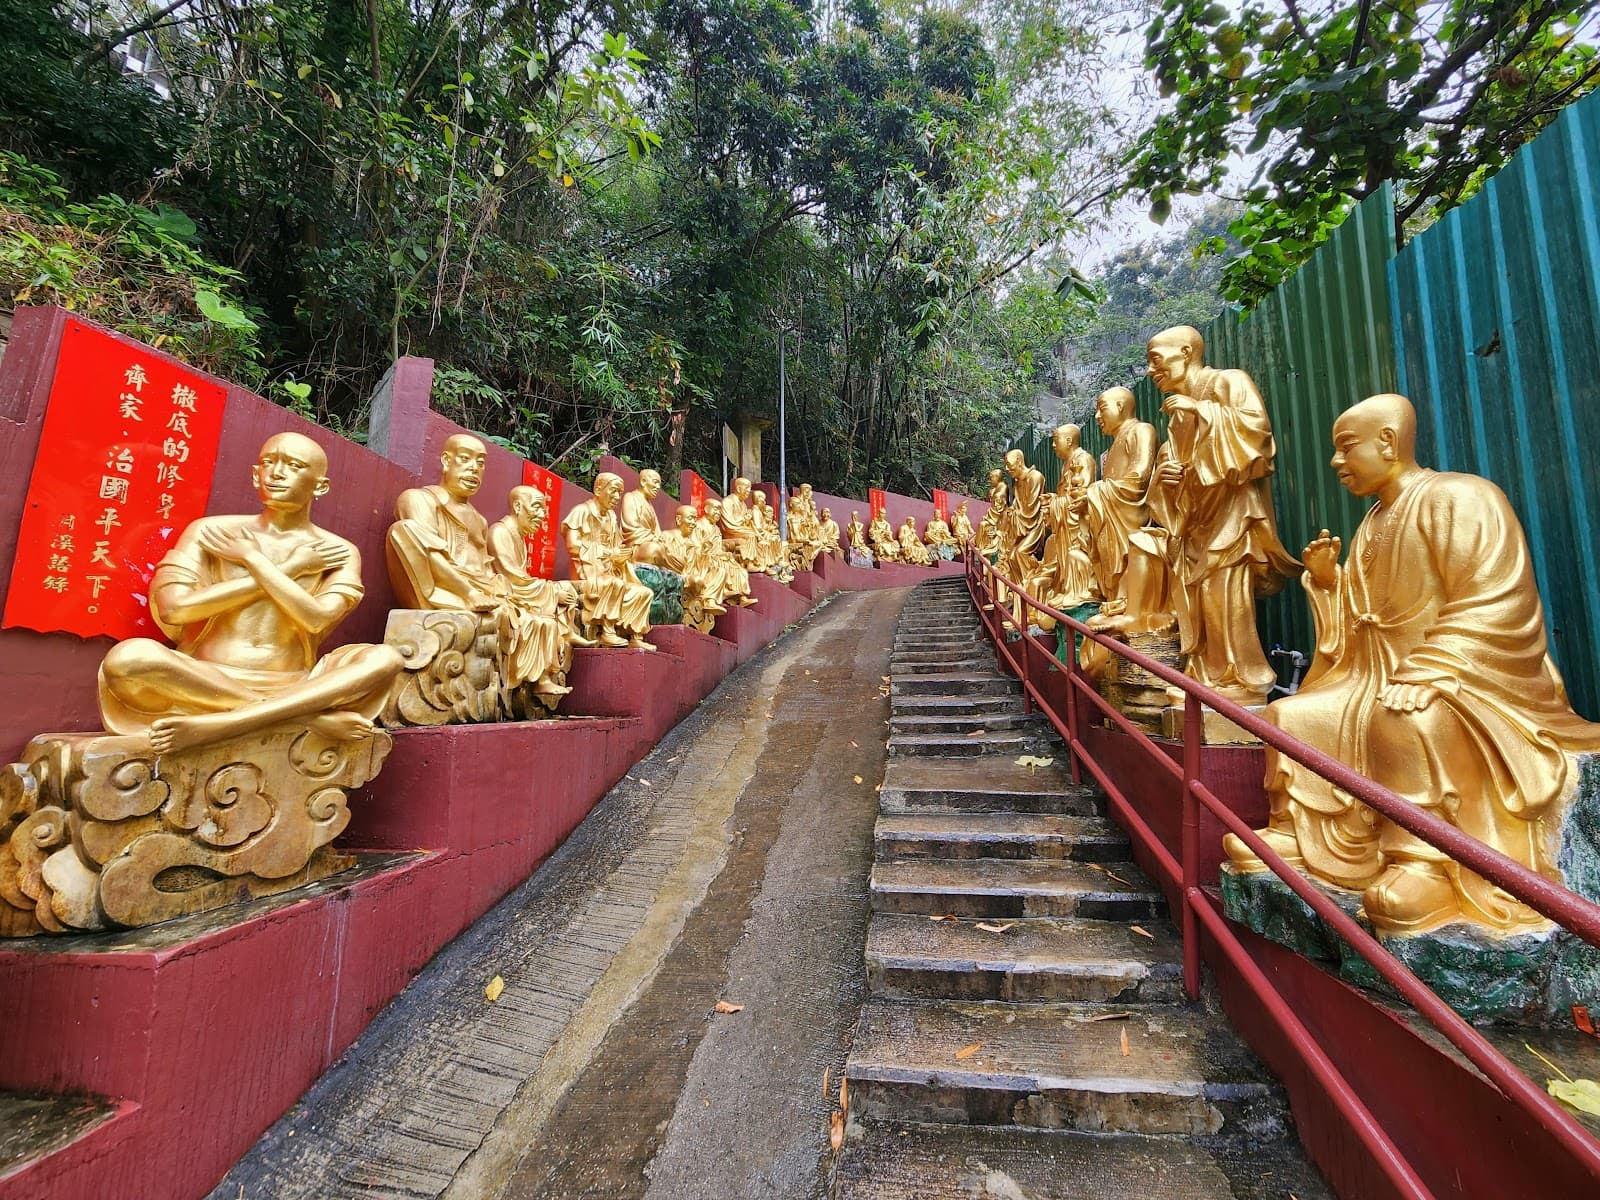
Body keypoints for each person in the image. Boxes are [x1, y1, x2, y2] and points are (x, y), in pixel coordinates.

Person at [1224, 394, 1600, 934]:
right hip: (1373, 676)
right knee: (1291, 717)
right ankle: (1298, 830)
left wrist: (1430, 670)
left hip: (1463, 679)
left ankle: (1422, 864)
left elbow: (1496, 601)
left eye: (1346, 447)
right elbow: (1362, 627)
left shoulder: (1461, 498)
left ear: (1388, 442)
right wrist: (1331, 587)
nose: (1335, 462)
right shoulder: (1374, 523)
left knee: (1402, 719)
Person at [99, 432, 402, 755]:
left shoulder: (337, 551)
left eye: (294, 465)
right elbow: (175, 610)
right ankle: (306, 718)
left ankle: (223, 723)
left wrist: (254, 560)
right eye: (268, 462)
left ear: (320, 486)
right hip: (205, 678)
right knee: (128, 658)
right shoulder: (211, 532)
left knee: (386, 658)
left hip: (296, 681)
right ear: (255, 474)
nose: (277, 473)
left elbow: (317, 620)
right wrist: (289, 568)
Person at [1144, 325, 1299, 703]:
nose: (1151, 371)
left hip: (1232, 515)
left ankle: (1238, 679)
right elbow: (1180, 468)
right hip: (1196, 522)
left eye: (1155, 360)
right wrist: (1164, 480)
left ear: (1185, 352)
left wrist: (1202, 411)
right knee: (1198, 602)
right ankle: (1204, 674)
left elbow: (1256, 434)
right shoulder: (1176, 414)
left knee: (1223, 596)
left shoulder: (1228, 383)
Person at [487, 486, 592, 699]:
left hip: (518, 592)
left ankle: (567, 632)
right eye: (536, 507)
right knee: (543, 621)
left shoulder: (517, 536)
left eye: (544, 510)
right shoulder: (499, 532)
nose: (542, 515)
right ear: (518, 506)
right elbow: (512, 578)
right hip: (503, 594)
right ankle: (542, 680)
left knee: (563, 588)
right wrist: (551, 592)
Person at [560, 472, 657, 649]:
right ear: (598, 489)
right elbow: (573, 545)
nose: (616, 497)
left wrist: (621, 556)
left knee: (643, 592)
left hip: (609, 570)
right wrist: (607, 553)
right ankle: (608, 632)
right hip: (588, 571)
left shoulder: (612, 517)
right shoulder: (582, 511)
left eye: (619, 493)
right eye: (613, 491)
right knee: (615, 584)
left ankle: (635, 636)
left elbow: (617, 546)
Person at [620, 468, 670, 566]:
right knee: (653, 550)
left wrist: (660, 539)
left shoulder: (650, 506)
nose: (658, 487)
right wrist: (653, 538)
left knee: (679, 559)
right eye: (655, 482)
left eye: (659, 484)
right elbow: (630, 527)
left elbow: (657, 532)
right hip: (636, 545)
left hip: (652, 543)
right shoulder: (630, 497)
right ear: (643, 481)